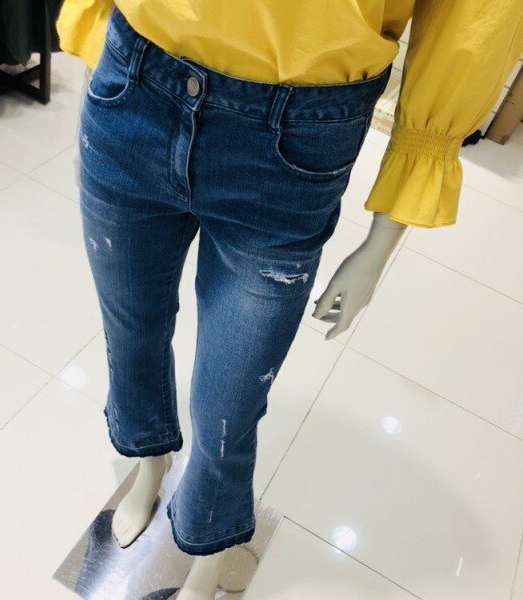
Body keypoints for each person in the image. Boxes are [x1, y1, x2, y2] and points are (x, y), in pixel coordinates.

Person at [56, 1, 523, 598]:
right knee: (131, 335)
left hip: (295, 136)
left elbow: (473, 19)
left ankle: (206, 546)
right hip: (134, 83)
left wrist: (382, 243)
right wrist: (96, 69)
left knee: (228, 402)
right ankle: (149, 464)